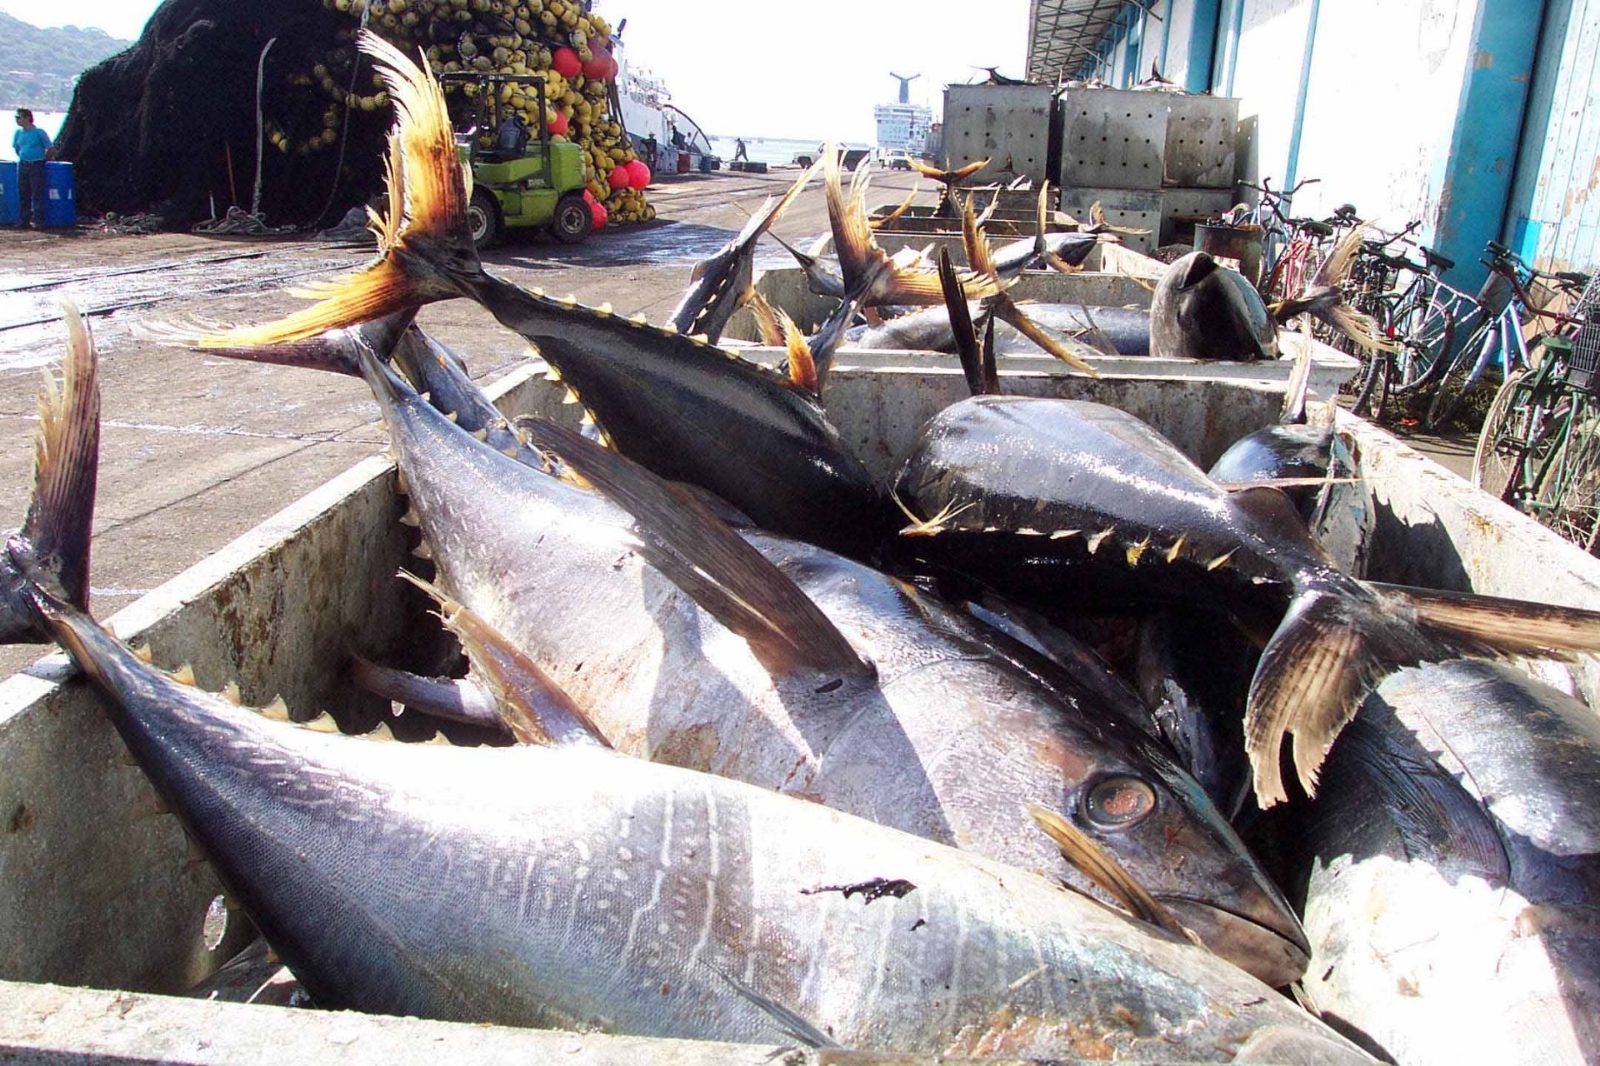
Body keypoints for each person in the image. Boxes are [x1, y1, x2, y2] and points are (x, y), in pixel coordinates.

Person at [12, 109, 53, 229]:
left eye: (18, 117)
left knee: (37, 194)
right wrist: (23, 156)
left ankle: (38, 221)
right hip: (23, 165)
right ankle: (24, 220)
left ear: (26, 118)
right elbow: (17, 147)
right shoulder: (18, 133)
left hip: (36, 165)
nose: (17, 120)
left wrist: (43, 160)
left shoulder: (38, 132)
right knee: (23, 193)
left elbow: (50, 148)